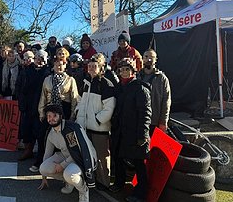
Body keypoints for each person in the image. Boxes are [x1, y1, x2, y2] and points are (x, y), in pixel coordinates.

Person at [110, 58, 151, 202]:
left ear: (133, 71)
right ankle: (119, 183)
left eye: (127, 69)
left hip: (135, 132)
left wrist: (143, 134)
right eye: (122, 70)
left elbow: (145, 113)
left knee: (139, 164)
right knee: (119, 158)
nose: (124, 72)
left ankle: (141, 193)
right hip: (121, 131)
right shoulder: (120, 88)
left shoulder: (140, 88)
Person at [38, 104, 97, 202]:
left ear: (60, 116)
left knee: (69, 174)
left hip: (80, 158)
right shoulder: (51, 132)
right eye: (49, 116)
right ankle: (69, 182)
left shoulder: (70, 129)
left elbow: (77, 152)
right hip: (67, 155)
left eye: (54, 116)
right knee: (43, 168)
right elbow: (47, 154)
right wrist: (44, 177)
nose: (51, 119)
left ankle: (83, 190)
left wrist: (62, 165)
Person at [75, 52, 115, 190]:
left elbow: (109, 107)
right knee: (88, 154)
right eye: (90, 66)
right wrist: (78, 113)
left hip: (99, 128)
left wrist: (98, 120)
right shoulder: (86, 82)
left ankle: (104, 182)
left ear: (101, 67)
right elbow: (81, 101)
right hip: (85, 126)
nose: (91, 68)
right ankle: (91, 179)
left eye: (94, 66)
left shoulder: (106, 84)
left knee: (102, 156)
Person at [16, 50, 50, 166]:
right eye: (37, 58)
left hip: (40, 105)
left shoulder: (48, 72)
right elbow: (19, 85)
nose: (39, 60)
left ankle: (41, 155)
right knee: (26, 129)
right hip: (27, 104)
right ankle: (28, 150)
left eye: (42, 58)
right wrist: (20, 100)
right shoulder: (26, 70)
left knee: (39, 131)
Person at [137, 49, 171, 135]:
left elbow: (166, 101)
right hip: (139, 121)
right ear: (142, 59)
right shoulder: (137, 77)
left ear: (155, 60)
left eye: (152, 57)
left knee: (156, 147)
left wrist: (163, 121)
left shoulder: (162, 79)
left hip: (155, 121)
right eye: (146, 57)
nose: (148, 59)